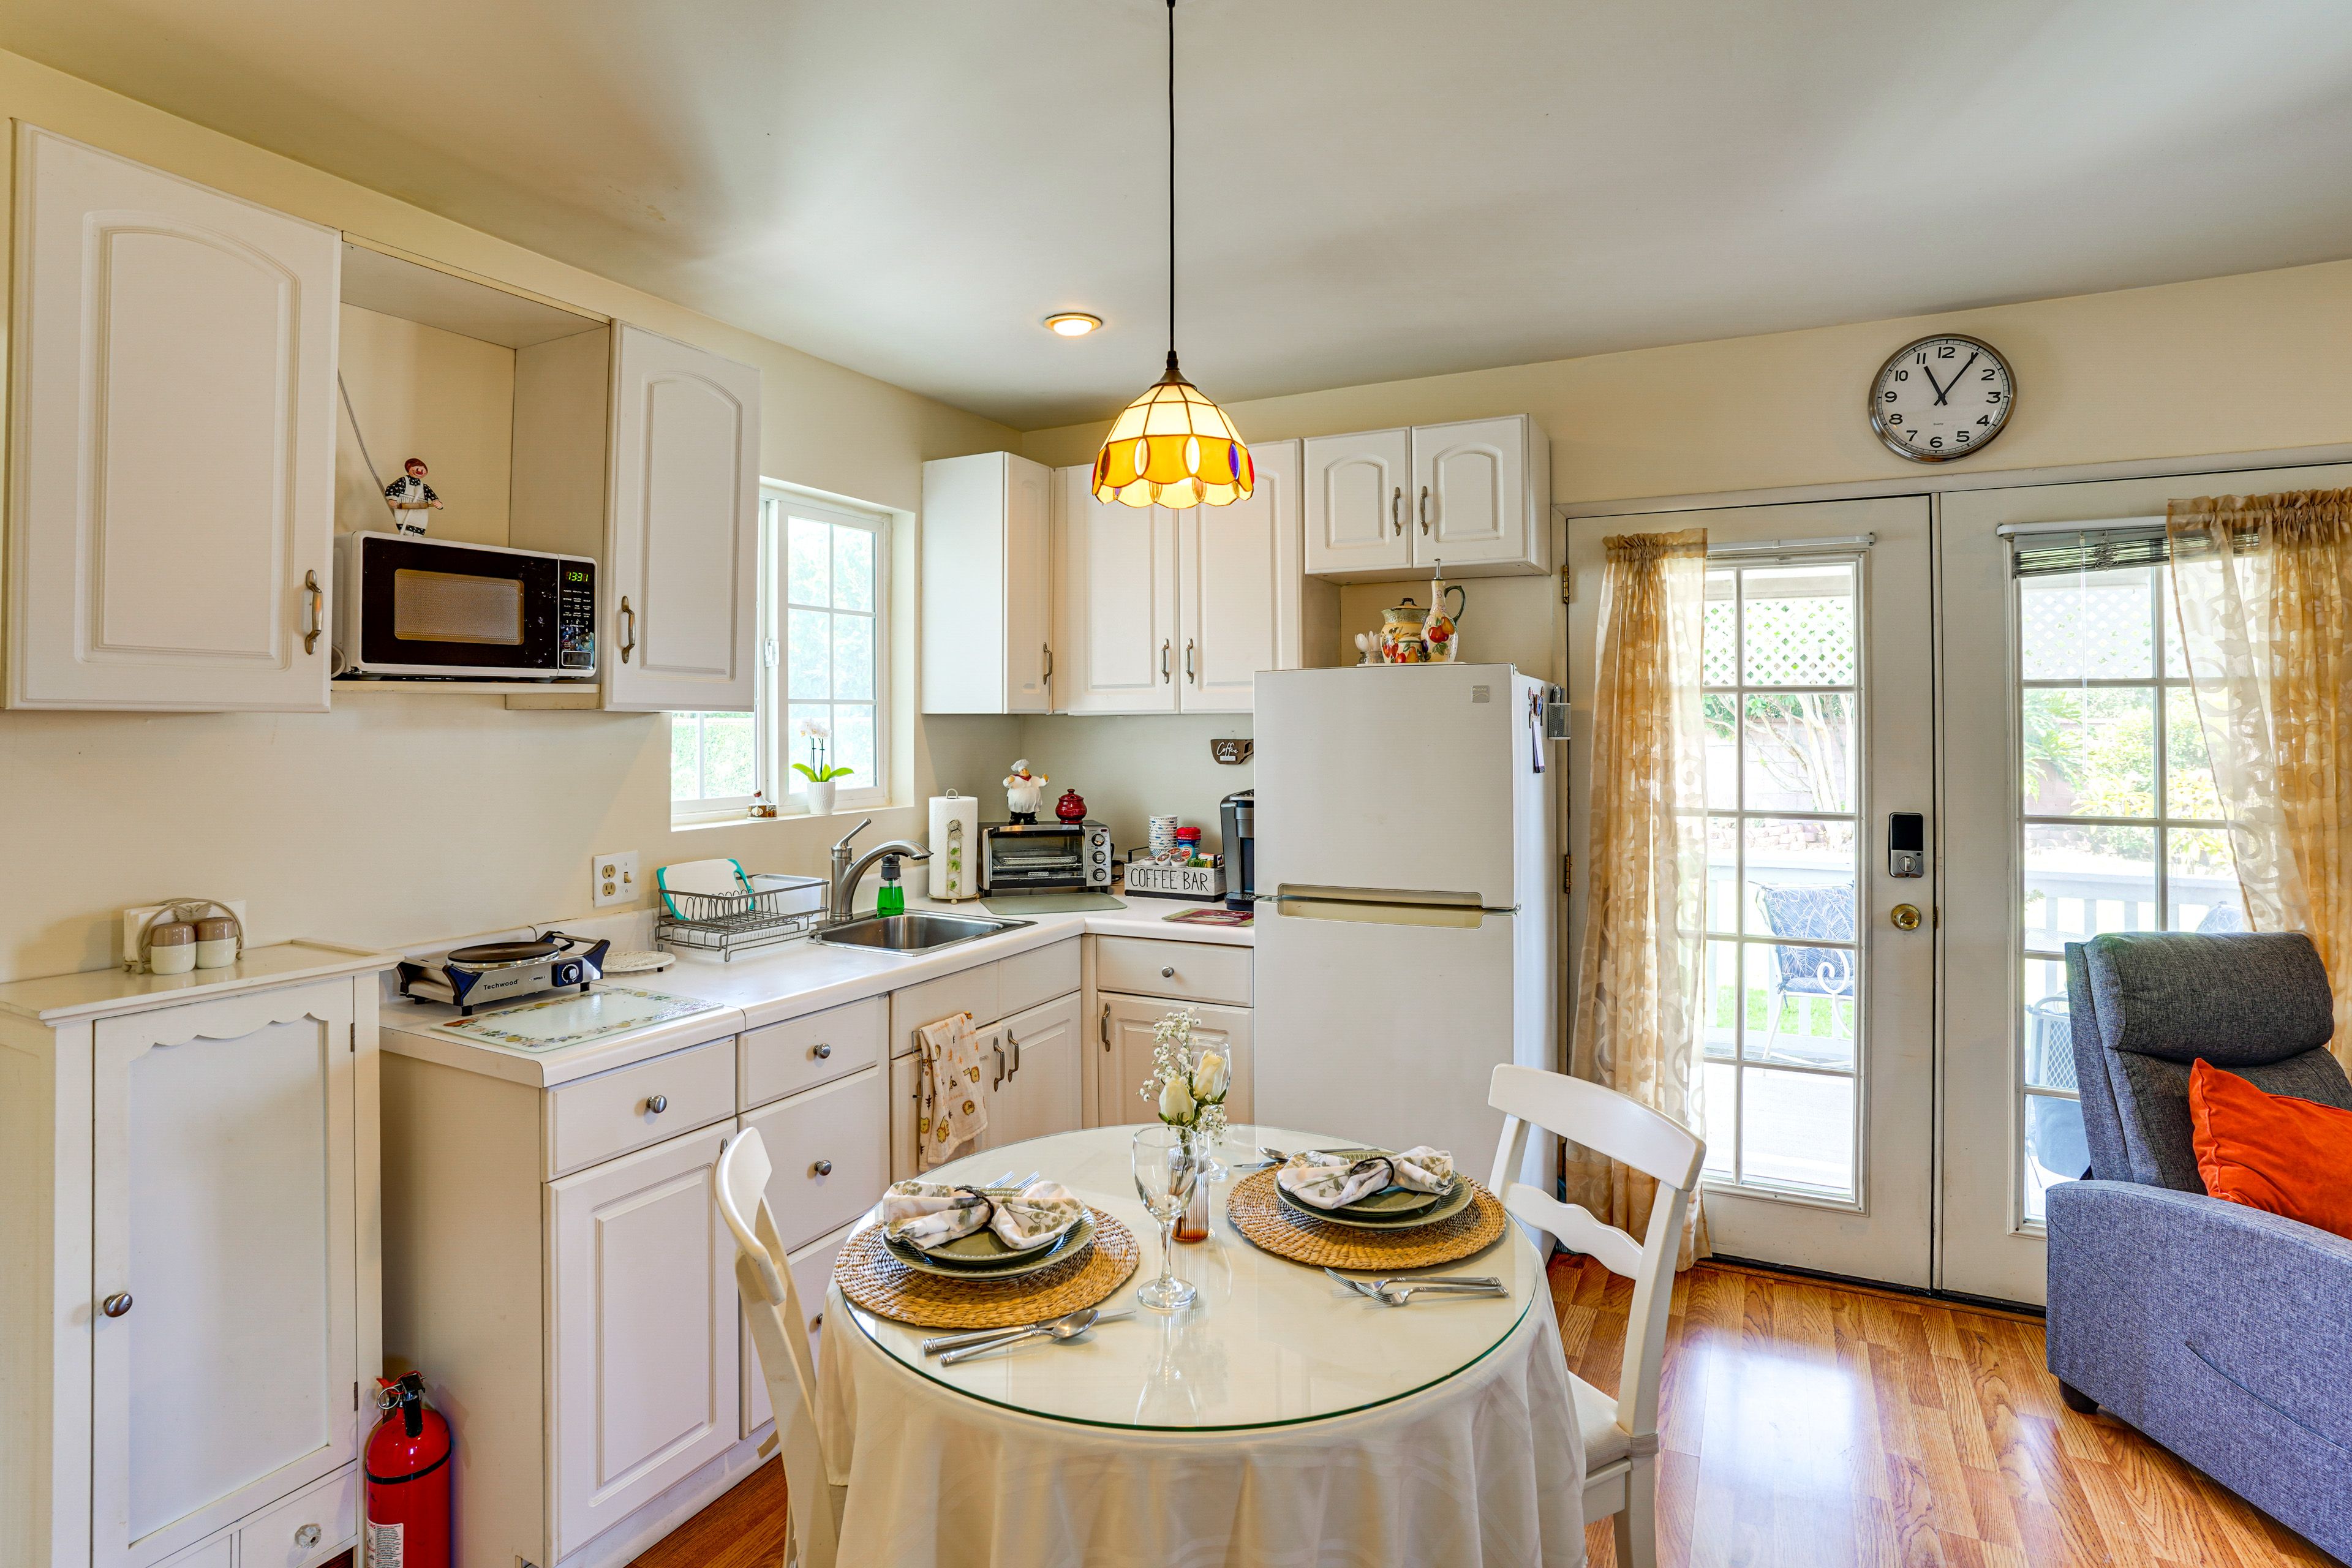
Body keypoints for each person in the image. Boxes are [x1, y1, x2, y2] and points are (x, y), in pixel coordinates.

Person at [384, 458, 443, 534]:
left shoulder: (424, 487)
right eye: (417, 469)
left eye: (422, 470)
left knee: (418, 530)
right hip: (404, 509)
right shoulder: (403, 481)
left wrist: (438, 502)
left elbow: (433, 496)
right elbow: (392, 488)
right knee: (405, 528)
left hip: (420, 513)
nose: (420, 472)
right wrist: (393, 499)